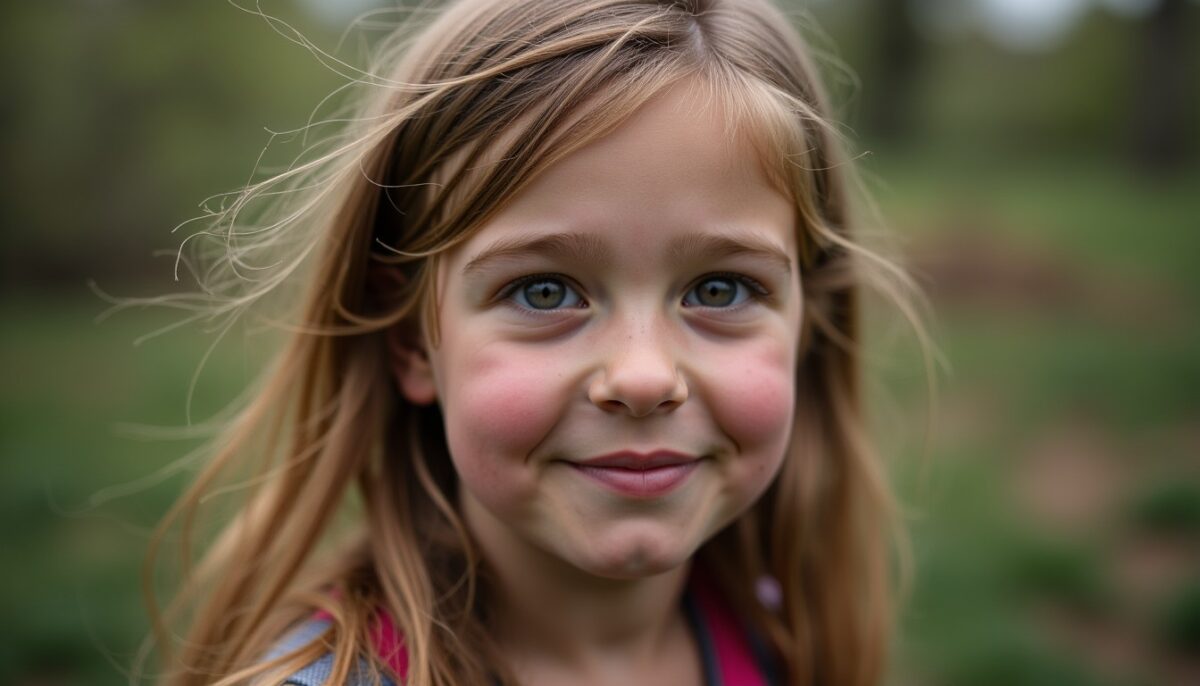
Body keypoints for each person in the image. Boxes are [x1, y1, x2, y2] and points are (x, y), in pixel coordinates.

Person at [137, 0, 931, 684]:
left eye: (719, 290)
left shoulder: (774, 633)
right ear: (413, 340)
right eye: (543, 291)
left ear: (805, 324)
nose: (645, 377)